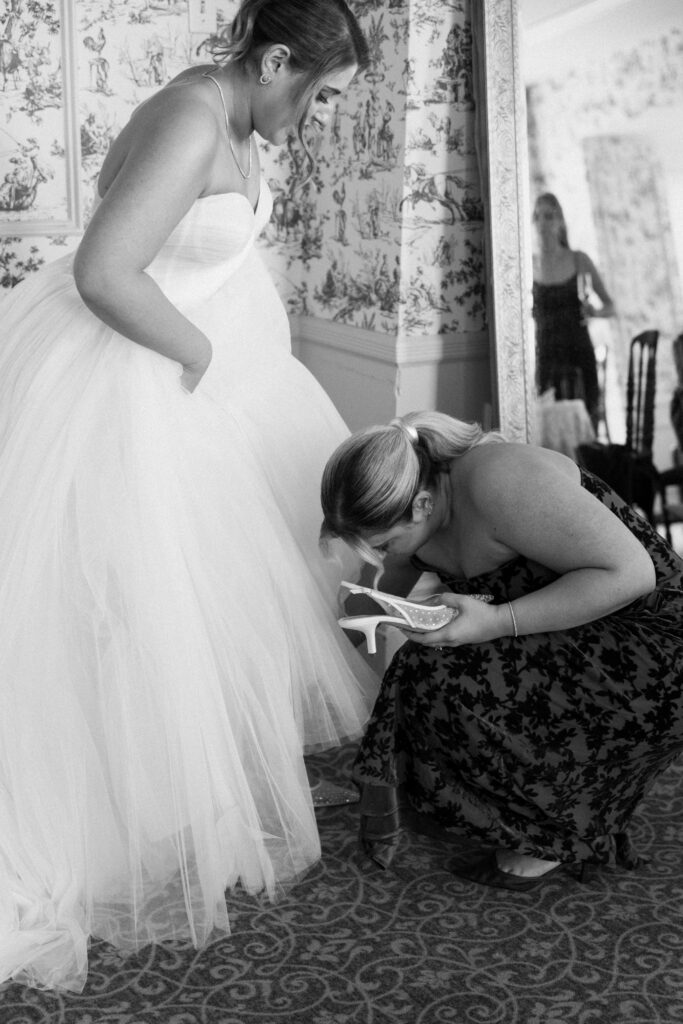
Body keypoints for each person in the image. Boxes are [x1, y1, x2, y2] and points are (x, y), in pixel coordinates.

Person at [0, 0, 379, 993]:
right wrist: (201, 353)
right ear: (277, 60)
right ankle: (94, 819)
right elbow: (104, 271)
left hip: (201, 375)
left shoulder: (238, 115)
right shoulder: (189, 116)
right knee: (123, 604)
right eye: (325, 96)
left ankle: (169, 796)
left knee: (204, 602)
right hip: (130, 374)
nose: (326, 116)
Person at [320, 411, 683, 891]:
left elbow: (633, 576)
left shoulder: (500, 481)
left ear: (422, 505)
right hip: (582, 630)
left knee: (436, 670)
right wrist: (364, 604)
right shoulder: (412, 483)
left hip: (653, 646)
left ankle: (551, 834)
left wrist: (494, 623)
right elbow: (391, 571)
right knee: (432, 661)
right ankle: (542, 808)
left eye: (385, 543)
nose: (384, 554)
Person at [532, 192, 615, 429]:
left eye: (548, 216)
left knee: (586, 424)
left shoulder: (579, 260)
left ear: (560, 221)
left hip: (578, 352)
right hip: (546, 355)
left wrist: (594, 313)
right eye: (537, 216)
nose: (542, 223)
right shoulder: (528, 264)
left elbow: (611, 306)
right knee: (551, 425)